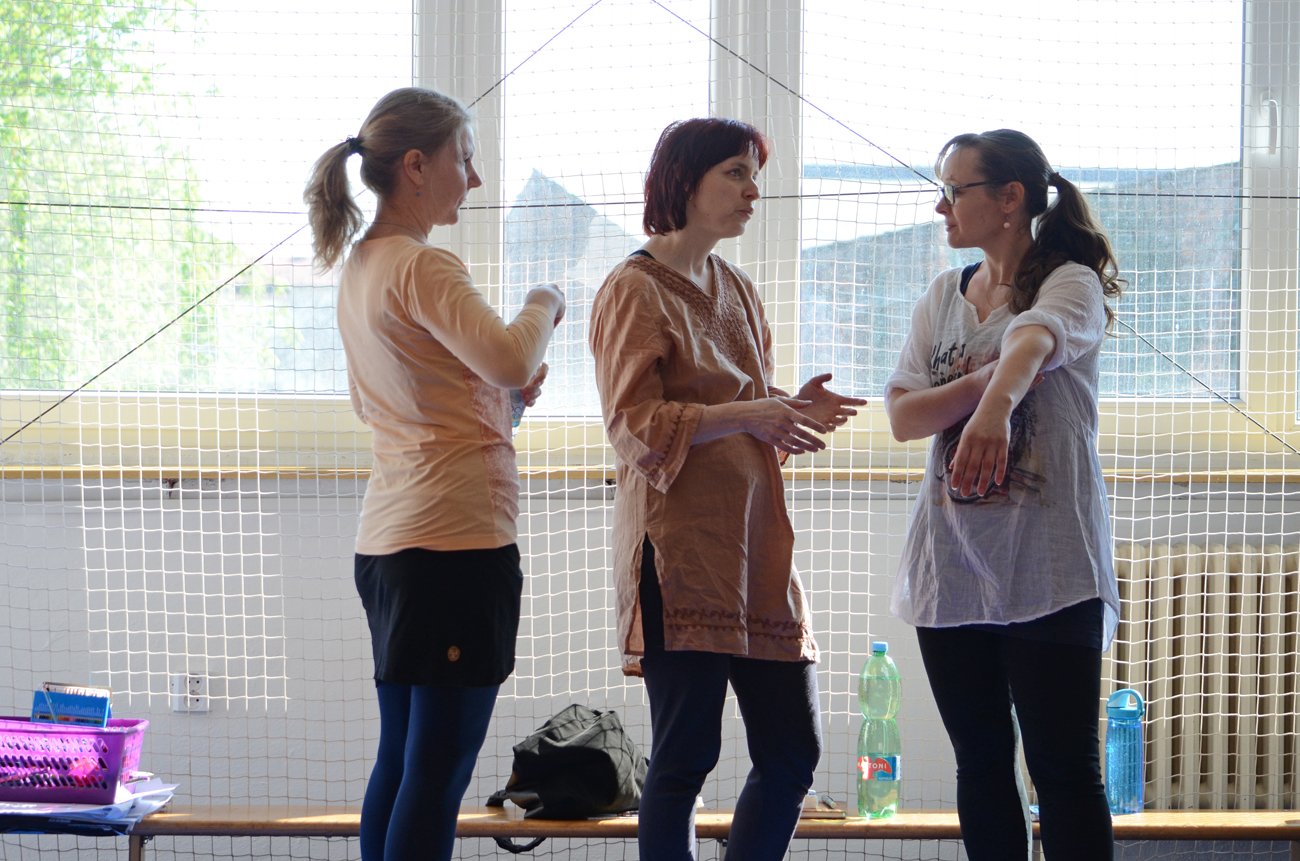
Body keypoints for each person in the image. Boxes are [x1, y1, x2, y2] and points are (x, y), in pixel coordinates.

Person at [589, 117, 865, 861]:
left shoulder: (737, 286)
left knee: (792, 753)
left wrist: (788, 412)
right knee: (685, 758)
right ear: (685, 181)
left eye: (754, 175)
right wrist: (751, 412)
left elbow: (745, 411)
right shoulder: (633, 288)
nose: (752, 191)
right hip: (679, 556)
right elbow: (634, 424)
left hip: (757, 548)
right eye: (736, 174)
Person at [303, 87, 565, 861]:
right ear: (416, 165)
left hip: (393, 548)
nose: (474, 178)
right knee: (438, 772)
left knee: (403, 760)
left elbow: (404, 405)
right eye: (465, 158)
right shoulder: (422, 264)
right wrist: (545, 300)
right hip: (453, 548)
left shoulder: (363, 268)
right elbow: (512, 353)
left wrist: (503, 405)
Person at [884, 128, 1124, 860]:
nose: (941, 207)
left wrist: (993, 410)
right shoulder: (943, 295)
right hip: (952, 567)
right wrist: (982, 386)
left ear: (1010, 197)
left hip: (1051, 569)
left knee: (1063, 769)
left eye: (954, 191)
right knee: (982, 762)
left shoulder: (1071, 281)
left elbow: (1032, 339)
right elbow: (904, 415)